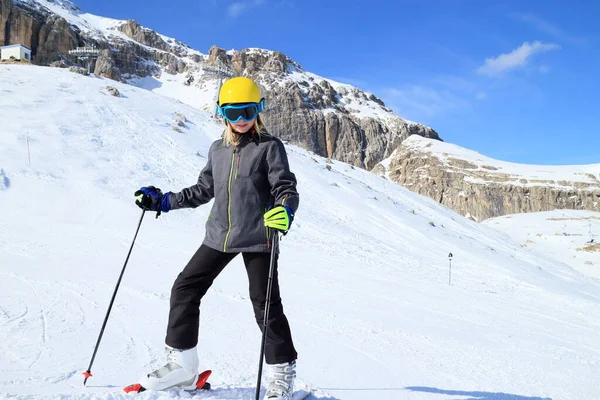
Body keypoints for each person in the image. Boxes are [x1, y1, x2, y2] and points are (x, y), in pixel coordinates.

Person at [133, 76, 299, 400]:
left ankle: (282, 372)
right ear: (222, 112)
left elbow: (285, 188)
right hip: (219, 235)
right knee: (184, 287)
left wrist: (286, 210)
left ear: (259, 110)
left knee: (264, 304)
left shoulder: (269, 147)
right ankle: (182, 366)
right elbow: (203, 190)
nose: (241, 120)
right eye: (233, 113)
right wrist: (164, 201)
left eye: (247, 111)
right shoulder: (217, 149)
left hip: (258, 237)